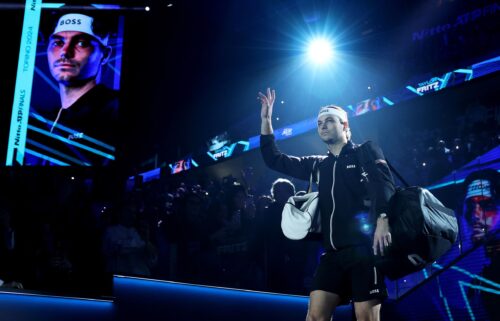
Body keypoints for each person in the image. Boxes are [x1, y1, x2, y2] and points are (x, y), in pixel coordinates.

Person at [258, 88, 395, 321]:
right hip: (332, 255)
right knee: (314, 317)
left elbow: (384, 185)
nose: (322, 125)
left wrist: (383, 219)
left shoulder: (365, 151)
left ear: (345, 126)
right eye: (320, 122)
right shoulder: (318, 165)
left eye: (329, 120)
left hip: (364, 251)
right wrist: (266, 120)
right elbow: (274, 159)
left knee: (366, 318)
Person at [28, 12, 119, 165]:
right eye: (58, 43)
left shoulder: (114, 110)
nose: (65, 52)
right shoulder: (47, 118)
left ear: (105, 55)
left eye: (81, 43)